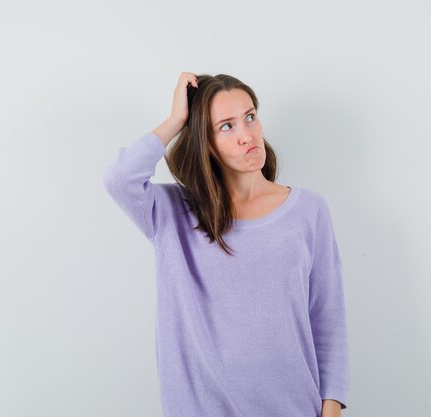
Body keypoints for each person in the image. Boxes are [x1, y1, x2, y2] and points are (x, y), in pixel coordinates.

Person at [102, 72, 350, 417]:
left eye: (250, 117)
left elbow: (328, 319)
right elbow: (119, 178)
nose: (247, 136)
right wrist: (177, 119)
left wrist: (331, 410)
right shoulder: (174, 213)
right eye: (226, 126)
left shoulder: (309, 210)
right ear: (205, 141)